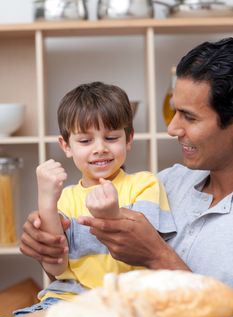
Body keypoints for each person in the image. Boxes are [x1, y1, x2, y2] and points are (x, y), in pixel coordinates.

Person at [20, 37, 233, 289]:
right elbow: (80, 278)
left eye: (189, 117)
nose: (172, 128)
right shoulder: (168, 183)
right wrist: (46, 241)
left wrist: (156, 255)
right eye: (175, 111)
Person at [15, 81, 176, 316]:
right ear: (66, 145)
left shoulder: (145, 183)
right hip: (67, 299)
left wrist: (110, 215)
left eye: (111, 138)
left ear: (129, 139)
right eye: (85, 141)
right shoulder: (66, 198)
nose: (100, 148)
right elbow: (56, 267)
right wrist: (46, 200)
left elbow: (144, 250)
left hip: (128, 299)